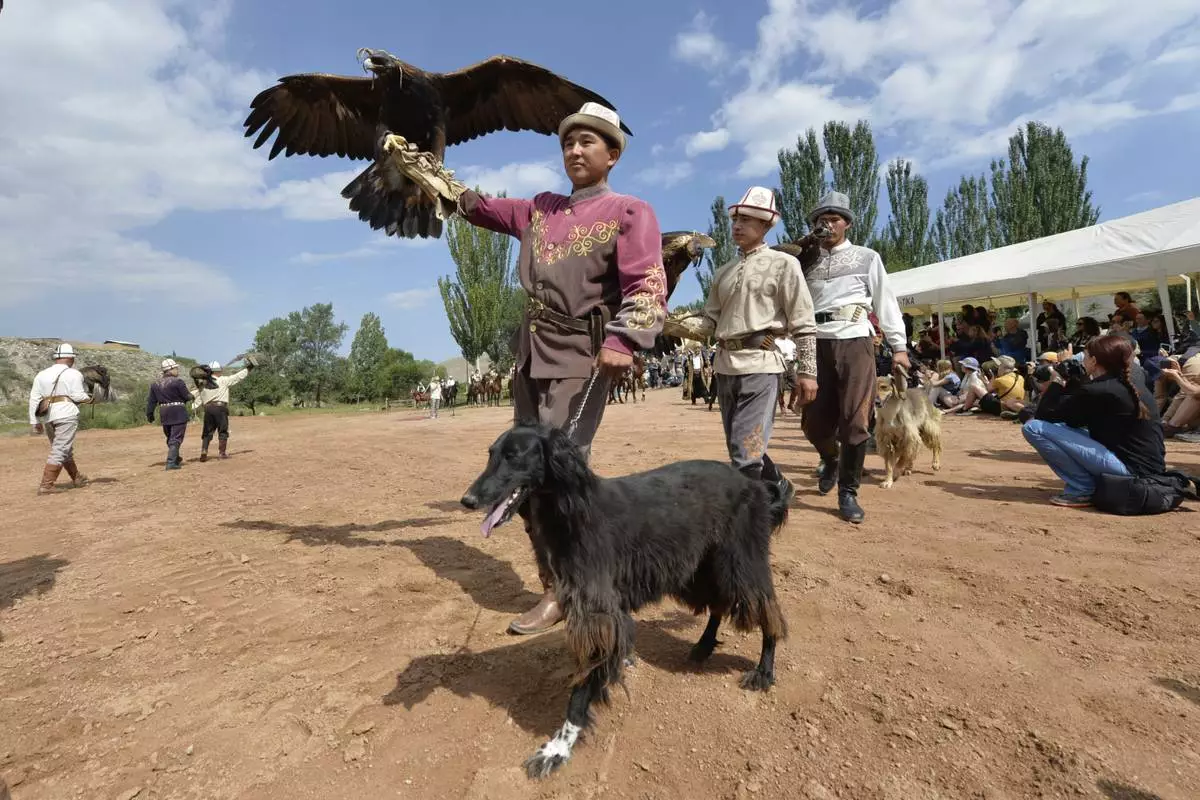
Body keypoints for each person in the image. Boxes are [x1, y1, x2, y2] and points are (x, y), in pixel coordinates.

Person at [394, 101, 666, 635]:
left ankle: (570, 587)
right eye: (568, 142)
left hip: (583, 358)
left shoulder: (630, 212)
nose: (575, 150)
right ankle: (556, 582)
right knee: (522, 474)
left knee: (560, 475)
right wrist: (430, 175)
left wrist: (624, 338)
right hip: (530, 356)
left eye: (587, 142)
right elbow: (479, 207)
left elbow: (647, 284)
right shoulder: (539, 209)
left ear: (612, 155)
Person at [669, 186, 818, 498]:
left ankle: (746, 517)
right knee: (742, 443)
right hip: (725, 366)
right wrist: (668, 323)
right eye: (735, 220)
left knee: (744, 454)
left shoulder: (784, 264)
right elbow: (709, 323)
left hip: (761, 365)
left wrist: (808, 372)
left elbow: (804, 321)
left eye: (747, 220)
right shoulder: (723, 272)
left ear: (765, 226)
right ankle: (779, 485)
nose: (737, 226)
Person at [799, 191, 909, 523]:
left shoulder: (867, 257)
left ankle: (848, 491)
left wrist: (899, 347)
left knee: (856, 420)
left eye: (834, 219)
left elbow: (885, 301)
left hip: (855, 339)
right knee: (813, 423)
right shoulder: (805, 260)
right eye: (821, 220)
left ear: (847, 223)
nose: (827, 224)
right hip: (814, 341)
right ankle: (830, 458)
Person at [1022, 334, 1167, 507]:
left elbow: (1044, 414)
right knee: (1059, 426)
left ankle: (1082, 488)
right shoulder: (1131, 380)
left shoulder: (1100, 390)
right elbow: (1073, 420)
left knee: (1033, 427)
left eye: (1085, 356)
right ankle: (1087, 484)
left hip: (1131, 472)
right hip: (1148, 468)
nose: (1082, 361)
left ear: (1094, 361)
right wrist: (1077, 377)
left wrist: (1058, 378)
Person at [28, 342, 94, 494]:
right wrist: (92, 399)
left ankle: (76, 478)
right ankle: (46, 485)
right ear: (70, 358)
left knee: (64, 449)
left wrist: (34, 421)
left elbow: (34, 399)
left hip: (48, 416)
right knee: (61, 449)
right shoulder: (74, 374)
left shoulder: (41, 374)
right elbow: (78, 396)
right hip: (66, 414)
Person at [190, 360, 251, 461]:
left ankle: (204, 451)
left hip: (208, 409)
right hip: (220, 408)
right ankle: (222, 453)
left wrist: (193, 407)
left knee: (207, 432)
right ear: (218, 371)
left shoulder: (203, 383)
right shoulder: (223, 380)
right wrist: (249, 368)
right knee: (222, 430)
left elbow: (197, 396)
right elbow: (238, 376)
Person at [147, 359, 193, 470]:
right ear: (171, 369)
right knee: (176, 438)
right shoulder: (178, 382)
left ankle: (175, 458)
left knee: (170, 437)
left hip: (164, 413)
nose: (177, 370)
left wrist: (149, 413)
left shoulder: (155, 384)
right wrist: (193, 395)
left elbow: (151, 401)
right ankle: (171, 462)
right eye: (176, 368)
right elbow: (186, 396)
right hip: (178, 412)